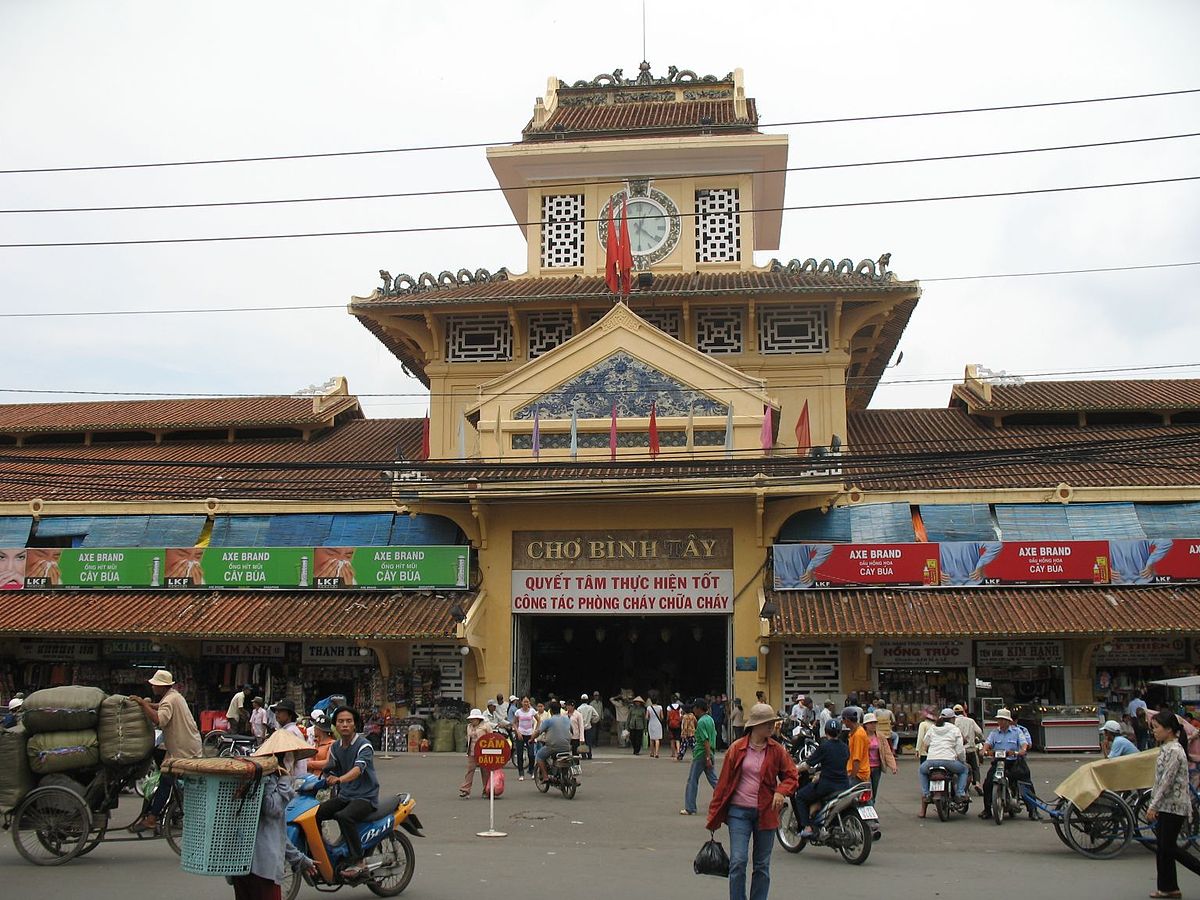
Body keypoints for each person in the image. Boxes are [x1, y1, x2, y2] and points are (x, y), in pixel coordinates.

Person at [707, 703, 798, 900]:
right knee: (738, 861)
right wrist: (713, 814)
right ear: (755, 725)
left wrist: (781, 791)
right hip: (739, 812)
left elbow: (791, 776)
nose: (771, 727)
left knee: (762, 865)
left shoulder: (777, 750)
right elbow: (723, 784)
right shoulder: (736, 749)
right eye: (767, 723)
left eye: (772, 723)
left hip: (766, 812)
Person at [233, 729, 317, 900]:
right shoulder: (269, 781)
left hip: (242, 864)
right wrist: (286, 779)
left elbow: (275, 834)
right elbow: (272, 809)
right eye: (291, 758)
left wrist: (299, 859)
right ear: (286, 759)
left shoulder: (258, 780)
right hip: (261, 868)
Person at [130, 669, 201, 834]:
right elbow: (161, 708)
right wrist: (146, 705)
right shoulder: (174, 696)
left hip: (183, 749)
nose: (153, 687)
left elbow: (159, 719)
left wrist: (143, 704)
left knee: (167, 779)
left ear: (162, 687)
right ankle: (155, 815)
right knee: (166, 780)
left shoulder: (169, 700)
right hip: (186, 745)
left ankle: (153, 818)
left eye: (155, 685)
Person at [317, 706, 380, 880]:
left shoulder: (364, 745)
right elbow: (330, 768)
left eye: (349, 721)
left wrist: (339, 780)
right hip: (345, 796)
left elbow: (358, 769)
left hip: (365, 797)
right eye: (341, 721)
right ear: (335, 726)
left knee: (344, 816)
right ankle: (321, 852)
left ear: (355, 725)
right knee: (316, 813)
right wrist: (325, 777)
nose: (345, 724)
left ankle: (358, 860)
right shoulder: (336, 747)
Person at [1146, 708, 1200, 897]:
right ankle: (1168, 888)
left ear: (1169, 729)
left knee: (1168, 847)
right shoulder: (1166, 748)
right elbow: (1158, 780)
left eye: (1157, 727)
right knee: (1163, 848)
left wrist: (1153, 806)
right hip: (1165, 805)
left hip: (1175, 806)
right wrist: (1155, 803)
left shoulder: (1175, 751)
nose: (1154, 731)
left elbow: (1167, 781)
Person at [793, 718, 849, 838]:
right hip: (844, 785)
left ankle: (807, 827)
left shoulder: (824, 747)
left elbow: (807, 765)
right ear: (839, 732)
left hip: (827, 785)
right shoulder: (845, 747)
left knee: (801, 796)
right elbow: (835, 763)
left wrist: (794, 769)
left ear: (826, 731)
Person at [978, 708, 1029, 820]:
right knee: (987, 783)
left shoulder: (1017, 732)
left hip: (1013, 762)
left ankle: (1032, 810)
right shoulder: (994, 733)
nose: (1000, 722)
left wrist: (1021, 750)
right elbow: (988, 743)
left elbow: (1023, 744)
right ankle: (987, 810)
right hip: (998, 762)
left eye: (1002, 720)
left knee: (1024, 781)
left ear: (1008, 721)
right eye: (999, 720)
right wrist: (984, 751)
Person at [918, 708, 968, 817]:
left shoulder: (933, 727)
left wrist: (930, 752)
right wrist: (962, 760)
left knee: (922, 770)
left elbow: (925, 743)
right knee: (964, 770)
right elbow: (960, 750)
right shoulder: (955, 729)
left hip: (931, 761)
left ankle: (926, 794)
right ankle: (960, 793)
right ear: (952, 719)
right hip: (949, 761)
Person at [682, 699, 719, 815]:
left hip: (702, 754)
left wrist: (707, 757)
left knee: (692, 780)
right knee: (714, 780)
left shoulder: (702, 722)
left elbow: (705, 740)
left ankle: (690, 807)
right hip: (710, 752)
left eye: (694, 708)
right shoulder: (710, 720)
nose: (693, 710)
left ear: (698, 708)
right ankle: (727, 800)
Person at [531, 700, 572, 783]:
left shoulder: (548, 721)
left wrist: (531, 739)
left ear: (551, 711)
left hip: (553, 747)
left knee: (539, 756)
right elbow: (572, 731)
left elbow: (538, 732)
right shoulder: (567, 719)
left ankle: (545, 777)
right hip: (567, 747)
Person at [861, 712, 898, 802]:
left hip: (876, 767)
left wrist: (893, 766)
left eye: (874, 723)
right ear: (865, 725)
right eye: (871, 723)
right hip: (865, 768)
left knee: (874, 789)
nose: (873, 725)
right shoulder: (861, 736)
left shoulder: (880, 736)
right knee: (866, 790)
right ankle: (867, 807)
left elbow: (887, 752)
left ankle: (872, 806)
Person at [952, 703, 985, 794]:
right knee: (975, 767)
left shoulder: (953, 722)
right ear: (963, 712)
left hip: (958, 750)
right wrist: (981, 738)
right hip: (971, 749)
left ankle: (961, 787)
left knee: (960, 769)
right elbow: (979, 731)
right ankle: (978, 784)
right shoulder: (970, 721)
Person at [271, 700, 309, 778]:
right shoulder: (288, 730)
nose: (277, 713)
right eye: (276, 711)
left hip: (293, 776)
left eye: (281, 711)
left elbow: (288, 759)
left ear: (290, 714)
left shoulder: (290, 731)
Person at [460, 709, 490, 798]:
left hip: (483, 752)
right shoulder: (469, 727)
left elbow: (491, 737)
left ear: (478, 719)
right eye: (471, 719)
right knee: (470, 770)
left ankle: (486, 790)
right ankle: (465, 789)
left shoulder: (485, 726)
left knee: (485, 771)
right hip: (472, 751)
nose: (472, 721)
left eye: (474, 719)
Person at [512, 696, 537, 781]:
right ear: (521, 702)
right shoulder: (518, 712)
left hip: (530, 735)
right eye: (524, 702)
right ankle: (521, 773)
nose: (526, 703)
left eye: (527, 702)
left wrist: (535, 730)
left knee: (531, 754)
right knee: (519, 754)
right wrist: (517, 732)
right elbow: (514, 723)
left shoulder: (532, 711)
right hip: (520, 734)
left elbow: (539, 720)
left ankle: (531, 770)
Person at [843, 709, 870, 785]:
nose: (843, 723)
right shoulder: (853, 733)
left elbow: (857, 759)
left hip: (858, 775)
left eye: (843, 720)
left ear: (847, 720)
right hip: (855, 772)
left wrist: (852, 777)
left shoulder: (858, 735)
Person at [578, 693, 599, 759]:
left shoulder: (579, 708)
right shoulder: (590, 708)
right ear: (587, 700)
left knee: (582, 742)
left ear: (581, 700)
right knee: (589, 742)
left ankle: (583, 755)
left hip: (581, 728)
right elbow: (597, 716)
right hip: (588, 727)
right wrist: (593, 721)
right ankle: (589, 755)